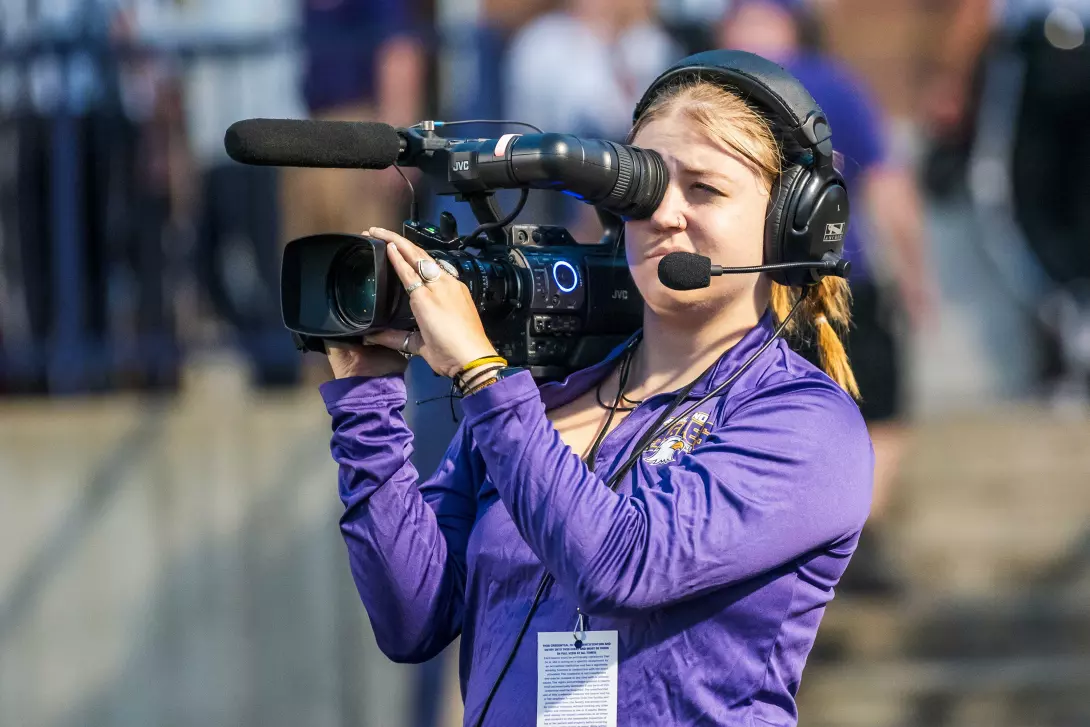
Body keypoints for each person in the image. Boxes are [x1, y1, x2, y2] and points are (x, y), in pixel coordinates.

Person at [318, 50, 873, 726]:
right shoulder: (537, 397)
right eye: (646, 190)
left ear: (791, 220)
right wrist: (368, 401)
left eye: (704, 189)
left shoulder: (806, 423)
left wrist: (482, 374)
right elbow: (413, 617)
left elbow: (624, 563)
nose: (666, 214)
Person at [719, 0, 935, 593]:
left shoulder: (705, 84)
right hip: (831, 278)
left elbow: (887, 184)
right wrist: (916, 277)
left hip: (765, 285)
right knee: (877, 411)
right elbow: (888, 184)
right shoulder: (829, 83)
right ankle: (856, 531)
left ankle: (819, 538)